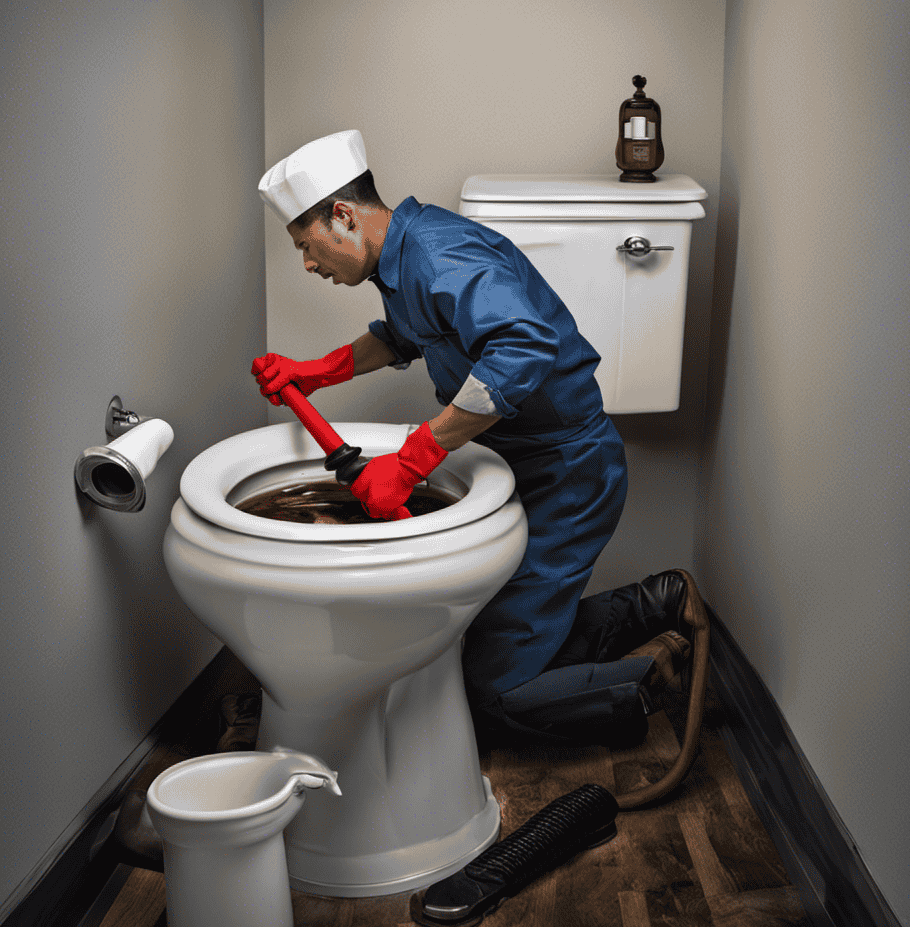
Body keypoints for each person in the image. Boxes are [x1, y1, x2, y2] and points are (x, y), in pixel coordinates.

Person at [253, 129, 693, 749]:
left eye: (307, 244)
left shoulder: (437, 254)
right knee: (496, 641)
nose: (306, 263)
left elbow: (523, 348)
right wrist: (315, 372)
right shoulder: (402, 259)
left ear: (344, 217)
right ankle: (657, 604)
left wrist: (412, 461)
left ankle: (649, 681)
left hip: (570, 473)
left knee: (492, 690)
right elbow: (404, 334)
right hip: (523, 460)